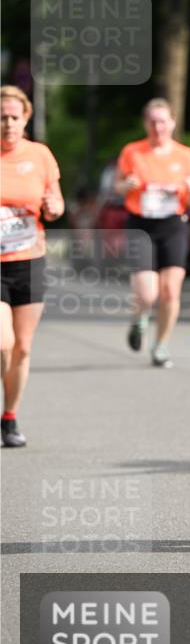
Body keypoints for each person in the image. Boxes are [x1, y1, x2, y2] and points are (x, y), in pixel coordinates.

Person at [114, 98, 190, 369]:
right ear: (146, 124)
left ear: (172, 123)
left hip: (173, 224)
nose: (158, 127)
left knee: (170, 293)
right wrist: (125, 185)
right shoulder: (133, 152)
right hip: (141, 225)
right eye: (153, 122)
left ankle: (161, 345)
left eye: (162, 121)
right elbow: (117, 186)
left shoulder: (185, 155)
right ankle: (139, 318)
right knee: (147, 294)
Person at [1, 85, 65, 447]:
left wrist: (54, 207)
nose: (8, 124)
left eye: (14, 117)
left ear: (25, 118)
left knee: (23, 347)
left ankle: (9, 417)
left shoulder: (40, 155)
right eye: (2, 117)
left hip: (29, 260)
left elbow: (55, 201)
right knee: (2, 342)